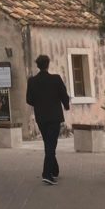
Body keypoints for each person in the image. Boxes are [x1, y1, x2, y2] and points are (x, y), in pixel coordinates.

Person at [25, 54, 70, 185]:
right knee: (51, 144)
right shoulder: (56, 79)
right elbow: (63, 95)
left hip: (41, 117)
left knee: (48, 143)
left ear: (37, 65)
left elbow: (29, 99)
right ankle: (46, 174)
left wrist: (39, 105)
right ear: (48, 64)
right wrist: (66, 106)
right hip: (54, 117)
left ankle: (54, 170)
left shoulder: (32, 81)